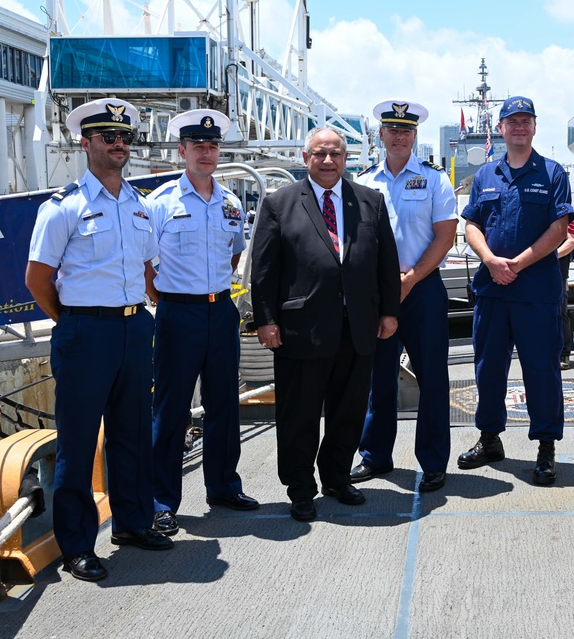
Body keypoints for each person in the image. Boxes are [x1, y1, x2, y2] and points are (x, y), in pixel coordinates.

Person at [25, 98, 172, 583]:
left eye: (124, 137)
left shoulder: (141, 205)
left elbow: (148, 270)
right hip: (86, 332)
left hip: (135, 328)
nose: (118, 145)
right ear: (85, 143)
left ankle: (132, 524)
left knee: (132, 435)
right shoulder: (63, 207)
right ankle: (77, 546)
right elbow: (38, 278)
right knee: (79, 441)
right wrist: (72, 322)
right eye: (108, 137)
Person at [250, 126, 401, 521]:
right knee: (299, 413)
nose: (328, 161)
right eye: (320, 154)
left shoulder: (370, 201)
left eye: (336, 154)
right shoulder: (278, 204)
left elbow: (385, 262)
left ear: (346, 158)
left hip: (358, 325)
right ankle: (300, 488)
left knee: (348, 410)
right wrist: (265, 320)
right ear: (306, 158)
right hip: (302, 328)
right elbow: (264, 269)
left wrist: (388, 311)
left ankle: (336, 476)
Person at [145, 109, 259, 538]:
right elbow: (145, 266)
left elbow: (234, 254)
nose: (206, 152)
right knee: (171, 409)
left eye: (212, 146)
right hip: (177, 313)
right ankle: (161, 502)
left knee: (225, 404)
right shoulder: (160, 204)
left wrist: (211, 296)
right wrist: (170, 301)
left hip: (220, 310)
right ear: (182, 150)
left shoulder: (230, 203)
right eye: (198, 145)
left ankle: (224, 486)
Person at [457, 96, 573, 486]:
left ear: (535, 127)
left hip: (536, 291)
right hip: (492, 290)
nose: (519, 127)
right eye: (512, 121)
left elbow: (560, 228)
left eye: (526, 120)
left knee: (541, 371)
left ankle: (545, 447)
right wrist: (490, 260)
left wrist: (518, 263)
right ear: (501, 129)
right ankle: (490, 438)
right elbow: (471, 224)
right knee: (488, 368)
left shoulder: (553, 173)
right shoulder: (486, 175)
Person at [350, 100, 458, 493]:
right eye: (392, 129)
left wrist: (410, 279)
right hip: (378, 295)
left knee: (432, 377)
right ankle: (375, 456)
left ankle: (432, 462)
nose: (399, 136)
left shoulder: (434, 181)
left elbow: (445, 237)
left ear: (415, 136)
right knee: (378, 378)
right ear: (381, 135)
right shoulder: (362, 183)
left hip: (424, 289)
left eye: (406, 131)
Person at [557, 221, 574, 370]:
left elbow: (571, 242)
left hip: (558, 272)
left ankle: (564, 353)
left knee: (560, 313)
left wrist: (545, 256)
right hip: (534, 270)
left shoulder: (566, 217)